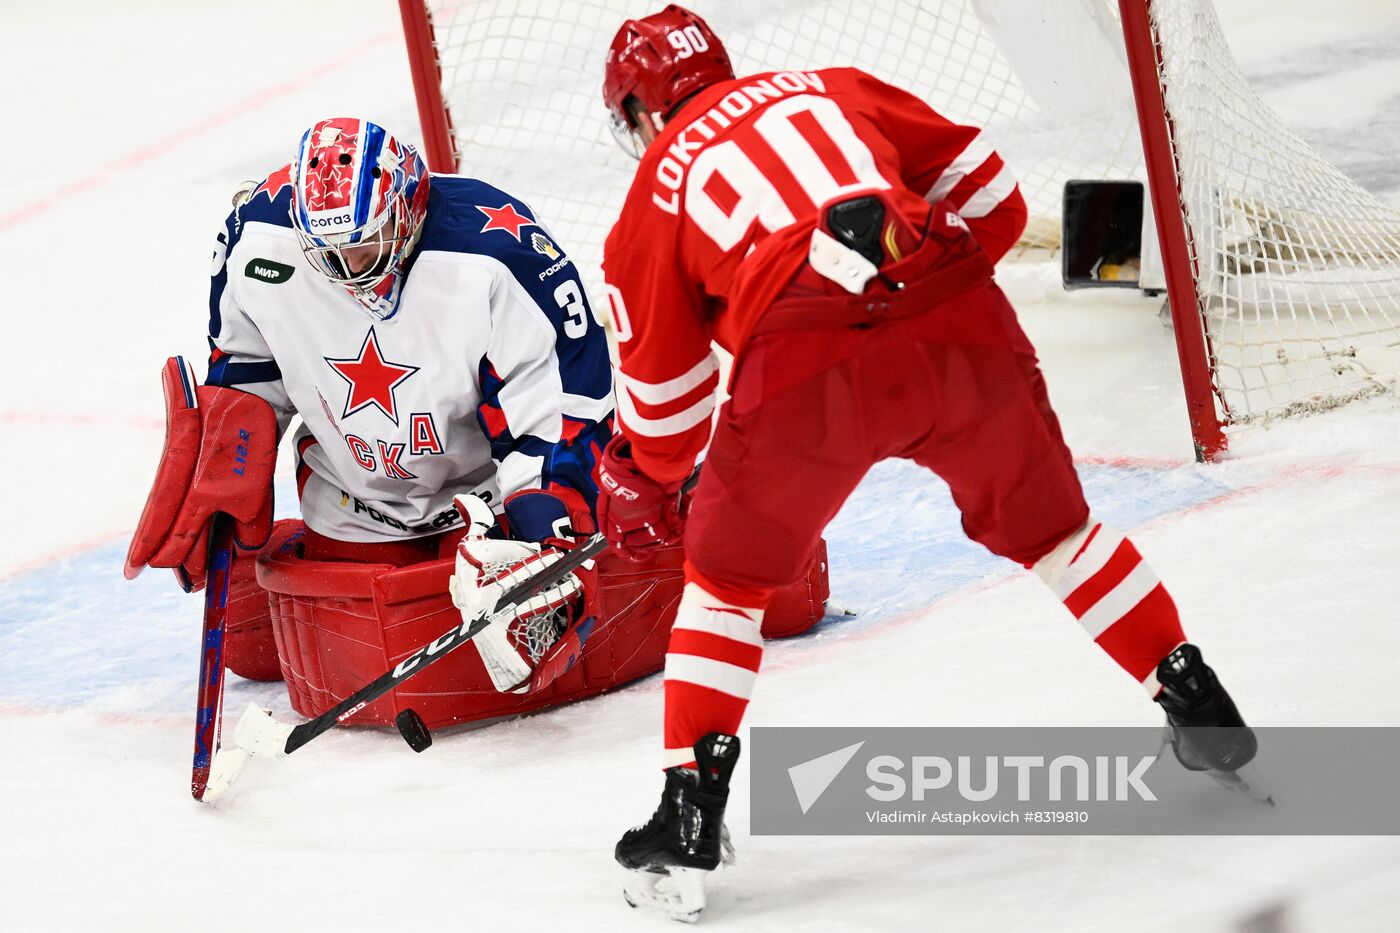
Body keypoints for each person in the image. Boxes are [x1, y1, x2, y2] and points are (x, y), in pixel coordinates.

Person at [593, 6, 1261, 921]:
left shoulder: (650, 199)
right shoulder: (831, 87)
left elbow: (666, 423)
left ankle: (688, 815)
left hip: (802, 358)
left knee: (726, 585)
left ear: (637, 115)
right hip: (947, 298)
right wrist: (919, 310)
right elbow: (998, 202)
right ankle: (1198, 702)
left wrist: (645, 473)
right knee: (1061, 533)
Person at [125, 116, 617, 700]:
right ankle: (294, 550)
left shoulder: (495, 256)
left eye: (362, 243)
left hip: (485, 504)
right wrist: (227, 459)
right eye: (325, 251)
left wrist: (550, 532)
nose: (345, 270)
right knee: (248, 642)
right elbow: (248, 367)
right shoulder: (256, 240)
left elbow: (554, 407)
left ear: (407, 210)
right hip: (352, 496)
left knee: (503, 655)